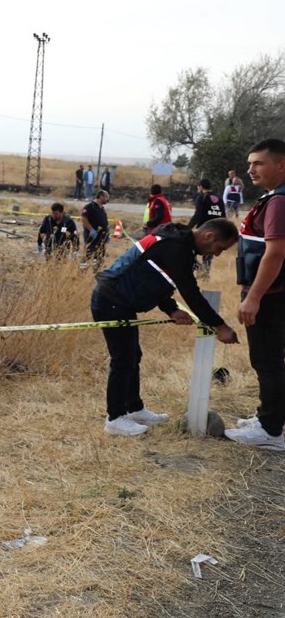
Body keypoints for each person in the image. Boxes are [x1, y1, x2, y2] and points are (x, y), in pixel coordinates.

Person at [91, 218, 240, 436]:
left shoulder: (178, 243)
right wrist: (220, 325)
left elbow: (157, 277)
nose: (217, 254)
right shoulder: (176, 247)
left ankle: (134, 408)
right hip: (111, 302)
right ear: (209, 236)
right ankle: (115, 419)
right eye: (220, 248)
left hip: (120, 302)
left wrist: (171, 309)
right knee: (123, 360)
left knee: (133, 356)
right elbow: (190, 293)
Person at [225, 139, 285, 450]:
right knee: (268, 359)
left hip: (271, 297)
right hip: (272, 294)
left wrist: (254, 298)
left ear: (281, 165)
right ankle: (267, 417)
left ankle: (271, 431)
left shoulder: (278, 203)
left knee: (267, 360)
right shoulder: (274, 197)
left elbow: (274, 254)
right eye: (249, 164)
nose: (250, 170)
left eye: (258, 163)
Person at [187, 179, 225, 275]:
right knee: (208, 257)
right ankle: (205, 275)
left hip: (203, 231)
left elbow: (197, 215)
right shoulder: (219, 198)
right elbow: (224, 216)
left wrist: (187, 228)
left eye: (198, 187)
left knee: (189, 250)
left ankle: (198, 268)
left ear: (201, 187)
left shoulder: (201, 197)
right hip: (216, 231)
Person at [81, 190, 110, 269]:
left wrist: (107, 234)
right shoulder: (90, 207)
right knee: (88, 253)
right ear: (101, 196)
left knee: (99, 255)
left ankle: (96, 270)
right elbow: (84, 219)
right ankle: (82, 271)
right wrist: (91, 230)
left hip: (101, 238)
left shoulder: (102, 209)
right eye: (106, 197)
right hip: (92, 236)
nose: (108, 199)